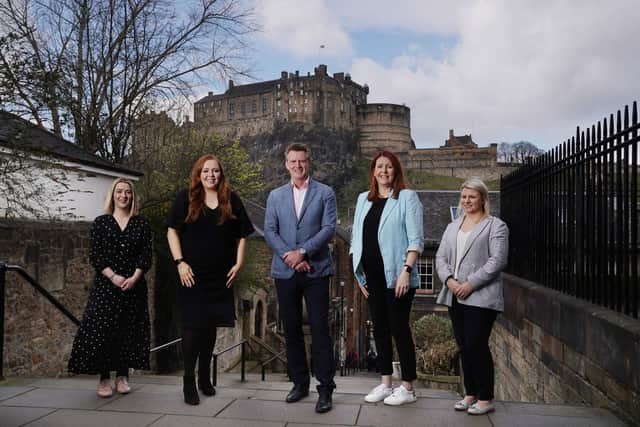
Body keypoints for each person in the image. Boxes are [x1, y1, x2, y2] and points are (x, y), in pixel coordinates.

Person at [167, 154, 254, 405]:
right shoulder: (186, 198)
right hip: (191, 275)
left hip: (221, 276)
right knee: (193, 327)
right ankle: (188, 380)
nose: (210, 175)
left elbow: (243, 235)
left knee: (211, 327)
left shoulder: (231, 199)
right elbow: (172, 231)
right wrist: (179, 262)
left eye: (215, 171)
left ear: (221, 174)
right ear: (199, 173)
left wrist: (239, 263)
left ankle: (205, 376)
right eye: (206, 171)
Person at [264, 143, 337, 413]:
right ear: (286, 164)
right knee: (291, 328)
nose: (298, 166)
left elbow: (329, 228)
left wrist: (303, 252)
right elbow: (270, 231)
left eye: (302, 161)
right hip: (285, 270)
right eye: (293, 162)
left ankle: (325, 388)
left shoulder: (325, 193)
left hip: (316, 270)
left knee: (320, 328)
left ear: (309, 162)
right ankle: (299, 383)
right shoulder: (275, 196)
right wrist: (290, 256)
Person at [350, 150, 424, 406]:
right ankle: (385, 383)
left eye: (389, 167)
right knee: (379, 329)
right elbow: (355, 240)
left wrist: (407, 270)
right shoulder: (363, 200)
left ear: (396, 171)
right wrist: (358, 275)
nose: (384, 171)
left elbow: (416, 240)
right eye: (379, 167)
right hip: (371, 277)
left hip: (396, 276)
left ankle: (408, 387)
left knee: (399, 329)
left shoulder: (406, 198)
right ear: (373, 171)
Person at [68, 177, 152, 398]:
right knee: (102, 331)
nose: (123, 196)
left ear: (133, 196)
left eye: (128, 192)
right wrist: (113, 277)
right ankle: (104, 378)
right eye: (119, 192)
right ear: (113, 195)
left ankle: (122, 376)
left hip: (134, 287)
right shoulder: (101, 223)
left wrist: (134, 278)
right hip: (106, 287)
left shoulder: (141, 223)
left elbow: (146, 256)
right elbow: (96, 256)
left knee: (127, 331)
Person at [435, 178, 509, 415]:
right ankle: (470, 394)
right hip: (454, 294)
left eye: (472, 196)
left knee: (477, 344)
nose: (467, 201)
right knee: (464, 345)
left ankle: (486, 398)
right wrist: (450, 281)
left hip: (482, 296)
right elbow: (440, 258)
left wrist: (470, 284)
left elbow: (497, 261)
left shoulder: (496, 226)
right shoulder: (453, 226)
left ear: (483, 199)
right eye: (464, 197)